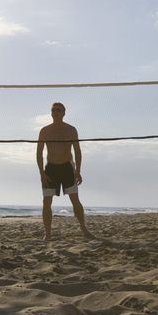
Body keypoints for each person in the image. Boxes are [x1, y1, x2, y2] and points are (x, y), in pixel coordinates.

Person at [36, 102, 94, 240]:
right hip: (51, 168)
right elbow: (39, 153)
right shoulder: (45, 130)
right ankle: (48, 234)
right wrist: (41, 173)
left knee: (75, 200)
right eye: (53, 110)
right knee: (46, 202)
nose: (55, 112)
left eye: (58, 110)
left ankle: (84, 229)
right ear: (51, 113)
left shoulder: (71, 130)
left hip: (67, 168)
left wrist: (78, 170)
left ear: (64, 113)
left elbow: (77, 151)